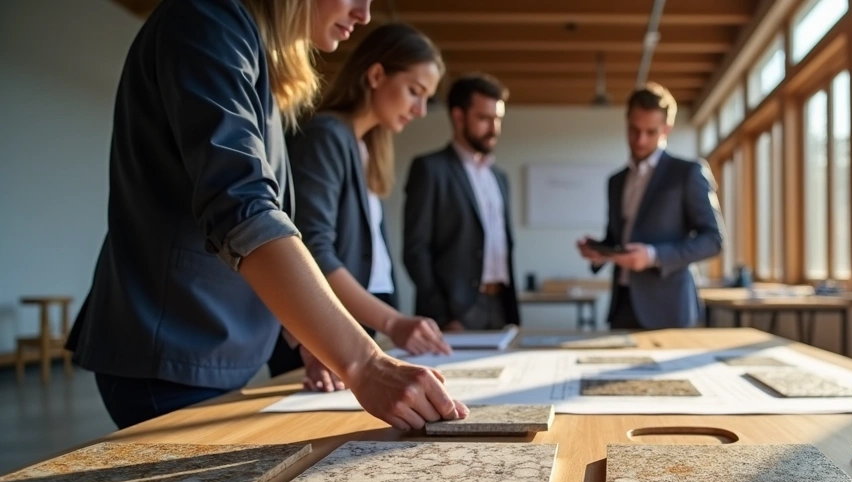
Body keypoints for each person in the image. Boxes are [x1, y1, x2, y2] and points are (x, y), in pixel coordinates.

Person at [66, 0, 467, 430]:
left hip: (207, 343)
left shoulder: (253, 51)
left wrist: (308, 332)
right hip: (172, 344)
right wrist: (364, 363)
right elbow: (243, 210)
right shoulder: (207, 16)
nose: (364, 14)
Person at [266, 23, 453, 389]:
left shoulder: (367, 147)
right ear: (377, 74)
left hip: (363, 315)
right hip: (327, 323)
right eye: (415, 92)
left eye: (426, 99)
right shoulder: (326, 135)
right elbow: (314, 250)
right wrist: (393, 322)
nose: (419, 110)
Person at [577, 83, 723, 329]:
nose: (640, 139)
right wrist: (601, 252)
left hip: (668, 307)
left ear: (666, 129)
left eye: (650, 132)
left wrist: (653, 256)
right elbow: (619, 238)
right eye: (634, 130)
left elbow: (713, 240)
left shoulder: (687, 173)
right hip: (622, 304)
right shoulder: (616, 181)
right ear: (626, 123)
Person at [401, 73, 521, 331]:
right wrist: (442, 316)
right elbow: (415, 250)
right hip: (453, 312)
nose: (494, 128)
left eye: (498, 119)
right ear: (458, 116)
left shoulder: (499, 177)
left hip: (500, 305)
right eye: (484, 118)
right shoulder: (430, 169)